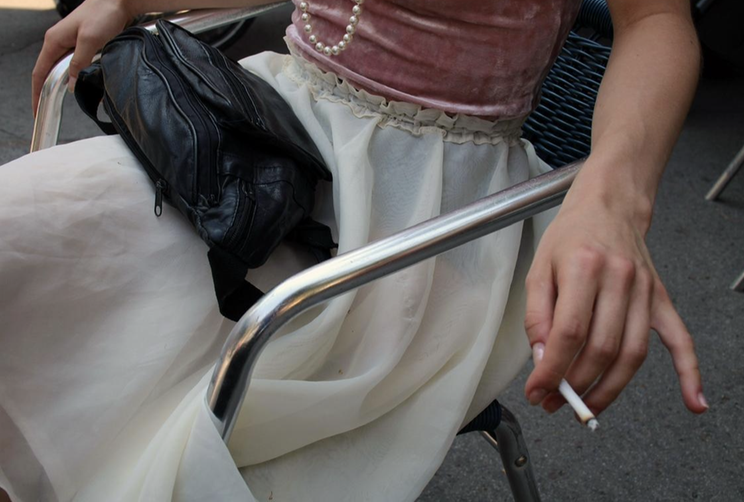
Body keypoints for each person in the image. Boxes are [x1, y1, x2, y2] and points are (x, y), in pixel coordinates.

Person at [1, 0, 707, 500]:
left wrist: (615, 194)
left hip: (427, 208)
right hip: (270, 122)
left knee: (208, 400)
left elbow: (655, 21)